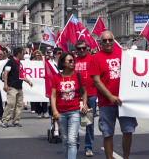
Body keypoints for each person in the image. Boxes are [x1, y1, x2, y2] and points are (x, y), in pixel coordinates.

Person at [91, 30, 137, 159]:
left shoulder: (123, 53)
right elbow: (96, 80)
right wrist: (110, 96)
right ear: (100, 42)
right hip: (106, 103)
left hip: (125, 101)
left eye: (110, 40)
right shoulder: (96, 58)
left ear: (113, 40)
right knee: (107, 133)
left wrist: (129, 52)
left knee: (128, 131)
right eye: (104, 40)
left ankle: (126, 157)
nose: (107, 42)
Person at [51, 52, 88, 159]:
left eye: (73, 61)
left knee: (72, 140)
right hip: (60, 112)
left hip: (74, 111)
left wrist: (84, 104)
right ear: (63, 62)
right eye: (70, 61)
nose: (73, 63)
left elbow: (84, 92)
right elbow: (53, 96)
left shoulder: (78, 75)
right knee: (65, 140)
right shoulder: (56, 77)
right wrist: (54, 110)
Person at [74, 40, 98, 157]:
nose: (82, 50)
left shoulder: (93, 58)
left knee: (89, 122)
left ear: (87, 48)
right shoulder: (73, 60)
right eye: (79, 48)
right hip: (76, 96)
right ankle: (75, 144)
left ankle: (88, 147)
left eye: (83, 48)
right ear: (76, 49)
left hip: (91, 94)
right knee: (75, 122)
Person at [1, 47, 34, 128]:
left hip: (19, 86)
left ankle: (16, 121)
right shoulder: (11, 62)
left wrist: (28, 81)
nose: (23, 55)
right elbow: (6, 73)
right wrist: (5, 85)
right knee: (11, 104)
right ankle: (5, 120)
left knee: (19, 105)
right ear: (19, 54)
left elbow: (22, 75)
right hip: (12, 86)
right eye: (23, 53)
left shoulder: (20, 63)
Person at [30, 50, 49, 118]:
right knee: (37, 98)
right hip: (36, 82)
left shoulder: (44, 62)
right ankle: (39, 112)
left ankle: (45, 111)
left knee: (44, 97)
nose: (37, 57)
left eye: (38, 55)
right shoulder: (32, 63)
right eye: (35, 56)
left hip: (43, 82)